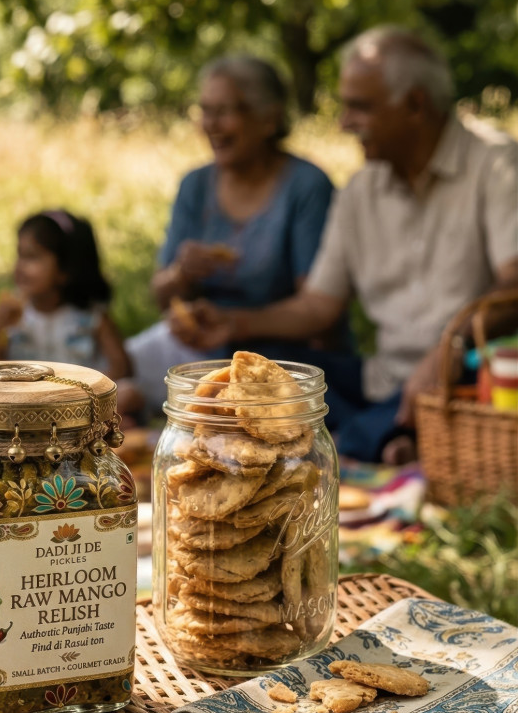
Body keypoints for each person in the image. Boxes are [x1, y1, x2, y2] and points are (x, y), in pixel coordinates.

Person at [172, 26, 518, 463]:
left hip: (466, 376)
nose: (343, 122)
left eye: (360, 107)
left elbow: (514, 284)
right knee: (260, 371)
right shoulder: (360, 190)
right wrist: (234, 324)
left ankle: (371, 439)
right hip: (384, 379)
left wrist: (450, 346)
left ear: (414, 104)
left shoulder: (496, 164)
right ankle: (381, 437)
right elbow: (318, 305)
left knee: (314, 427)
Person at [126, 55, 336, 413]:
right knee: (105, 383)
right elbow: (161, 296)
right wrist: (181, 273)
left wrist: (235, 325)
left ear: (269, 119)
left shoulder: (306, 187)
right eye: (206, 111)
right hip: (200, 350)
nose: (211, 124)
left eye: (225, 111)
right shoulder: (196, 185)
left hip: (279, 358)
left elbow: (317, 313)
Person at [0, 209, 131, 381]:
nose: (19, 267)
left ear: (65, 270)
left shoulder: (90, 318)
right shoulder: (13, 317)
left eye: (31, 257)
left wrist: (92, 389)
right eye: (19, 255)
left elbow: (122, 369)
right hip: (25, 401)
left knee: (129, 394)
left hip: (80, 402)